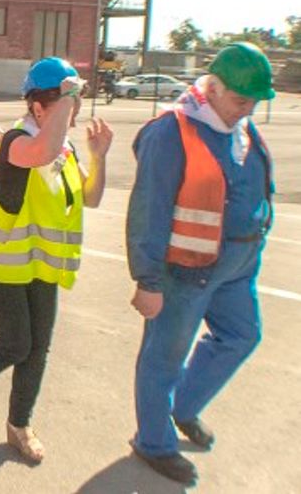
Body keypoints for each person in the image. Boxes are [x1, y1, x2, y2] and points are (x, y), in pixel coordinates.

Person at [127, 43, 275, 486]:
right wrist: (147, 280)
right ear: (211, 88)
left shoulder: (242, 126)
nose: (246, 109)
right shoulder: (172, 131)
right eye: (239, 100)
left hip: (236, 267)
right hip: (185, 271)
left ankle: (182, 408)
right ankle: (154, 441)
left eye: (252, 102)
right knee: (163, 358)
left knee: (242, 335)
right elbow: (148, 212)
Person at [0, 58, 112, 464]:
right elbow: (40, 153)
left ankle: (19, 425)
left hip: (42, 267)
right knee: (15, 343)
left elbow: (90, 198)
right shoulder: (15, 143)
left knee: (38, 350)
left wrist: (99, 157)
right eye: (66, 105)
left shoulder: (66, 148)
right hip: (2, 266)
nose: (74, 112)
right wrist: (68, 96)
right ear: (39, 108)